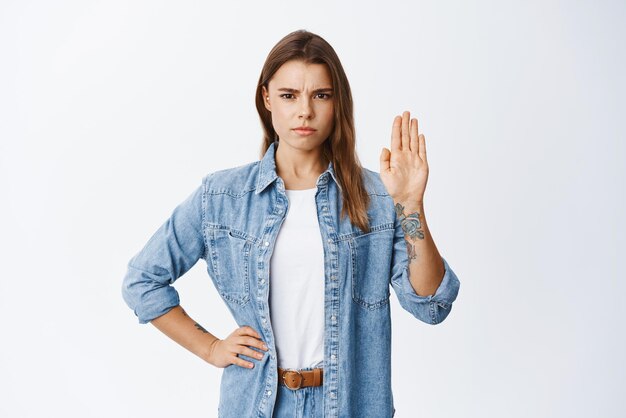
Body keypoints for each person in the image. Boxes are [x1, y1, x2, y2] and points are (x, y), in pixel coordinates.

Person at [121, 29, 460, 418]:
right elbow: (142, 280)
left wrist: (410, 206)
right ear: (267, 98)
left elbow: (432, 306)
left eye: (321, 95)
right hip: (257, 406)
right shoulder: (222, 197)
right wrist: (211, 347)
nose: (305, 111)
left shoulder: (379, 197)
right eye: (289, 95)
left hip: (349, 405)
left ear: (338, 102)